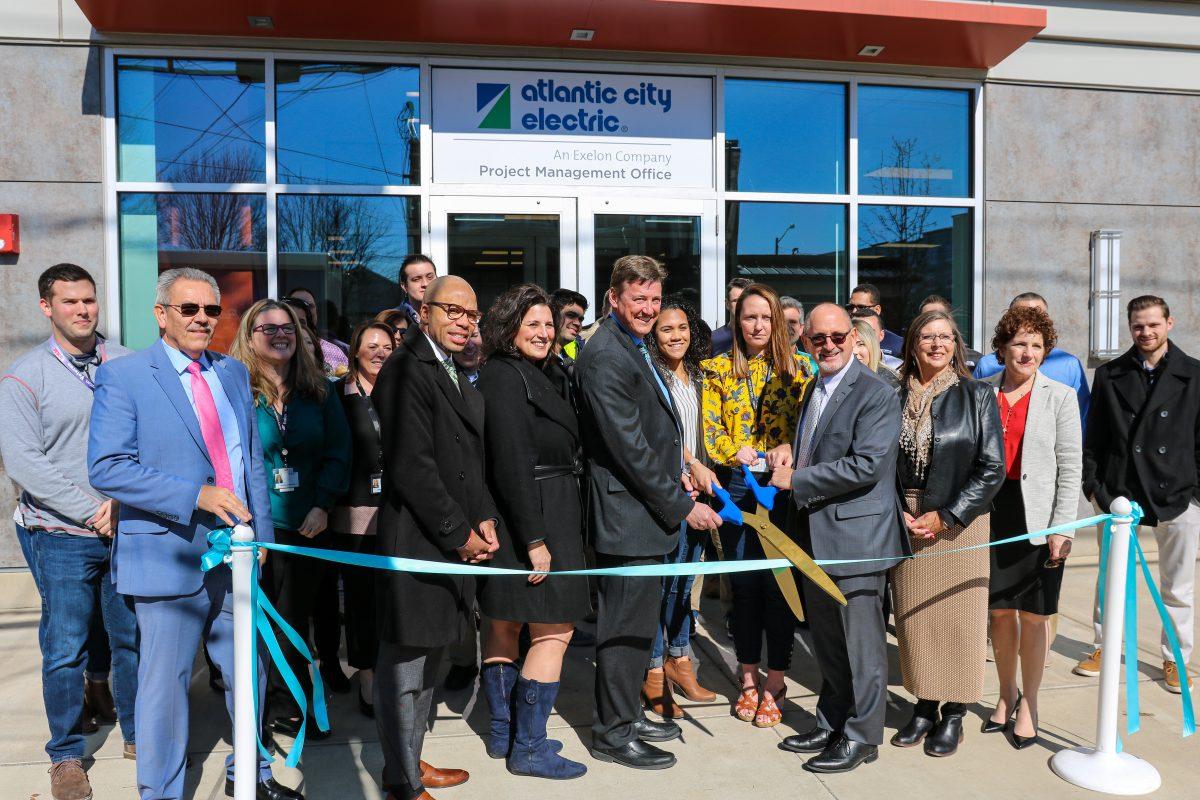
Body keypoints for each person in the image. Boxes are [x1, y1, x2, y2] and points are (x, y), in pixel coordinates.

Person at [88, 268, 298, 800]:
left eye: (212, 310)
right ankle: (159, 792)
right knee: (164, 690)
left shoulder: (230, 373)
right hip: (168, 558)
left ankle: (250, 774)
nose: (203, 319)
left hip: (238, 556)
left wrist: (263, 536)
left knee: (248, 676)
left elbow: (248, 459)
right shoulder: (126, 376)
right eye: (190, 310)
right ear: (161, 315)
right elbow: (108, 467)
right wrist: (193, 496)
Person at [577, 255, 723, 770]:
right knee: (622, 631)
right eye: (638, 298)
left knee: (640, 629)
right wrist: (683, 506)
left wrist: (676, 469)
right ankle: (613, 735)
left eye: (654, 299)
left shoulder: (630, 345)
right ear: (613, 298)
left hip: (643, 514)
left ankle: (627, 715)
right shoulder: (606, 355)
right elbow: (627, 447)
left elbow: (651, 436)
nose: (648, 308)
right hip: (627, 520)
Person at [0, 264, 137, 800]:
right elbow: (25, 462)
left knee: (131, 638)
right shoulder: (24, 375)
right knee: (65, 647)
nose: (83, 310)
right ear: (46, 307)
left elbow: (147, 440)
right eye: (70, 302)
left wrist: (123, 503)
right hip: (58, 532)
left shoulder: (125, 363)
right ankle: (64, 754)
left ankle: (136, 733)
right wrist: (92, 509)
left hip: (126, 528)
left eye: (89, 300)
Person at [372, 275, 495, 799]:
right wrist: (459, 533)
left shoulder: (451, 368)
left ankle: (411, 762)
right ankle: (401, 779)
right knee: (406, 671)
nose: (464, 322)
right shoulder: (405, 370)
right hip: (420, 544)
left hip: (450, 544)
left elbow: (469, 460)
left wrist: (484, 517)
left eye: (472, 314)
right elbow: (411, 467)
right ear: (424, 311)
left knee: (430, 665)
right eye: (453, 311)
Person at [771, 303, 908, 773]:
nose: (828, 345)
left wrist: (799, 480)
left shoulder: (876, 391)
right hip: (815, 537)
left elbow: (868, 464)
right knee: (829, 642)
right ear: (805, 342)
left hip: (858, 540)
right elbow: (818, 445)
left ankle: (863, 735)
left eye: (837, 337)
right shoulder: (815, 386)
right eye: (817, 339)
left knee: (862, 648)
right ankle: (831, 722)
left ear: (855, 338)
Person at [474, 284, 591, 779]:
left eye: (548, 324)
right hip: (536, 512)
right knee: (555, 628)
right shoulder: (506, 376)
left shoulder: (534, 372)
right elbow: (512, 463)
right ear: (509, 329)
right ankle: (529, 745)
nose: (545, 333)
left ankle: (505, 731)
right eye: (533, 325)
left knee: (507, 620)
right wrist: (536, 540)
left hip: (539, 509)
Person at [229, 299, 351, 736]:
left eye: (288, 329)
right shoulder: (234, 389)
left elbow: (340, 452)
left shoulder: (319, 391)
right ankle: (256, 711)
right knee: (256, 624)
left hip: (308, 526)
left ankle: (293, 704)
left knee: (295, 621)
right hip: (253, 531)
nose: (280, 335)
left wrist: (323, 504)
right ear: (249, 335)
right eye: (269, 328)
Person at [889, 309, 1004, 758]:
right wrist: (895, 510)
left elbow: (992, 467)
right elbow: (880, 461)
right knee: (915, 619)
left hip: (961, 523)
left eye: (945, 337)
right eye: (927, 337)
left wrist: (949, 515)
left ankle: (954, 712)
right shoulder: (892, 394)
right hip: (906, 519)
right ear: (912, 344)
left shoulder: (976, 395)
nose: (937, 344)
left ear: (956, 346)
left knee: (958, 621)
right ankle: (923, 706)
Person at [701, 284, 812, 728]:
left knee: (779, 589)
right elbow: (712, 433)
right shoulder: (715, 369)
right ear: (737, 321)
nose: (759, 325)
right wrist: (736, 451)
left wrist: (788, 444)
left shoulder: (800, 368)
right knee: (744, 588)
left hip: (782, 489)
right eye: (749, 317)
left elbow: (811, 425)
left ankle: (776, 682)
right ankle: (748, 678)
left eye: (766, 317)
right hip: (738, 488)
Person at [1076, 295, 1200, 693]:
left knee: (1177, 586)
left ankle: (1175, 658)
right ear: (1130, 328)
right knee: (1110, 579)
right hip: (1121, 495)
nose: (1145, 332)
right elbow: (1093, 438)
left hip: (1178, 493)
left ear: (1169, 323)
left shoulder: (1194, 375)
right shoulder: (1111, 374)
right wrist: (1095, 489)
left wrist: (1196, 494)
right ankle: (1103, 647)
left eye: (1153, 324)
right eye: (1138, 326)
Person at [979, 305, 1081, 748]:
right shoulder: (979, 391)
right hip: (991, 515)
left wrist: (1063, 528)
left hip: (1038, 519)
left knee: (1035, 617)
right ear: (1002, 348)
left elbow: (1070, 468)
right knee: (1000, 613)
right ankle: (1005, 695)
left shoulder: (1060, 396)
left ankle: (1030, 703)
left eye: (1036, 345)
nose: (1027, 352)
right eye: (1019, 343)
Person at [642, 296, 720, 718]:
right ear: (654, 335)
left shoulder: (700, 376)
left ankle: (679, 658)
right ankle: (653, 670)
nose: (676, 336)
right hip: (668, 490)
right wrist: (686, 464)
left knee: (685, 584)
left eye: (682, 328)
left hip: (701, 490)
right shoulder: (651, 376)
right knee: (663, 584)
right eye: (666, 329)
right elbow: (655, 438)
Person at [328, 321, 396, 719]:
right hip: (352, 518)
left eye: (386, 346)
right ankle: (366, 674)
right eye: (371, 345)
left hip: (396, 515)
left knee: (392, 600)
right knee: (359, 602)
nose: (379, 352)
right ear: (355, 351)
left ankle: (390, 671)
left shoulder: (401, 392)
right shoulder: (338, 395)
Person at [973, 292, 1090, 425]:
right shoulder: (987, 365)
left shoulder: (1069, 365)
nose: (1030, 322)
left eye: (1038, 316)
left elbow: (1082, 415)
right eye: (1020, 316)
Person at [286, 287, 349, 375]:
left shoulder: (334, 352)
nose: (304, 309)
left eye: (310, 306)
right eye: (297, 304)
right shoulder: (281, 351)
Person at [918, 295, 983, 367]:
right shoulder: (906, 361)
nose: (937, 344)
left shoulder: (976, 362)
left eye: (939, 316)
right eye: (927, 318)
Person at [847, 283, 902, 357]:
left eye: (861, 307)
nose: (854, 311)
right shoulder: (841, 339)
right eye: (851, 306)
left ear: (877, 310)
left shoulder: (896, 345)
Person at [851, 318, 900, 392]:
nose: (854, 351)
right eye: (850, 345)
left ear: (871, 346)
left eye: (861, 344)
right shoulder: (831, 378)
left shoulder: (890, 382)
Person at [709, 277, 752, 356]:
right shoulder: (713, 339)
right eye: (736, 301)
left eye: (745, 300)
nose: (741, 305)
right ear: (727, 304)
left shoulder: (760, 336)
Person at [550, 287, 588, 362]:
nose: (577, 323)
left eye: (580, 319)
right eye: (570, 315)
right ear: (553, 314)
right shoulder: (537, 359)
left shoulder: (568, 362)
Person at [399, 254, 438, 326]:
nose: (425, 284)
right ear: (404, 286)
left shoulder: (452, 315)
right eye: (416, 279)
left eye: (430, 277)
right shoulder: (393, 321)